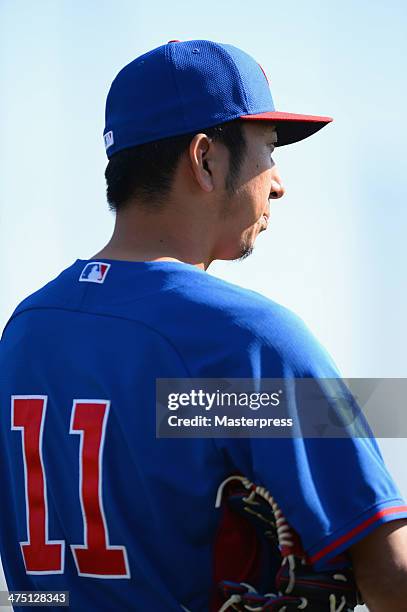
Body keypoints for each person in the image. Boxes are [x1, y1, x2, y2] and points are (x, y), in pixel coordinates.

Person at [0, 39, 406, 612]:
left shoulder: (24, 330)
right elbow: (391, 576)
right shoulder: (248, 340)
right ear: (205, 159)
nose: (278, 183)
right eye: (268, 150)